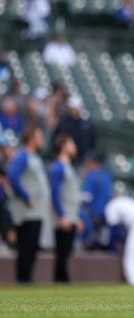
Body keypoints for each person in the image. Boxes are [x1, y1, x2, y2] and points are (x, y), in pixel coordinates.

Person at [7, 127, 48, 284]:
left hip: (37, 211)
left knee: (32, 247)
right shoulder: (22, 156)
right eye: (39, 136)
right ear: (31, 138)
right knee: (26, 246)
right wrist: (27, 197)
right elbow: (12, 177)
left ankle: (27, 278)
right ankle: (22, 279)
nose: (42, 139)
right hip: (27, 211)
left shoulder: (35, 157)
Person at [49, 134, 82, 283]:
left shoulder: (69, 167)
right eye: (71, 144)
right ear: (63, 147)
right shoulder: (58, 168)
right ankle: (61, 281)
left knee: (66, 252)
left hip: (71, 215)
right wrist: (62, 215)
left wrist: (77, 217)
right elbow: (54, 193)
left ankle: (62, 280)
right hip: (64, 217)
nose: (74, 147)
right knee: (62, 252)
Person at [81, 151, 112, 249]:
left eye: (88, 162)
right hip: (104, 215)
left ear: (94, 162)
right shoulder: (107, 177)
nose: (87, 164)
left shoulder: (91, 176)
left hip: (91, 215)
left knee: (87, 244)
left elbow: (86, 198)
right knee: (101, 246)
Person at [53, 96, 96, 163]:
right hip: (67, 158)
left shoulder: (85, 123)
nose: (75, 111)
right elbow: (57, 139)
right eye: (73, 108)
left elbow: (92, 140)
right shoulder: (64, 123)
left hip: (82, 158)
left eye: (76, 108)